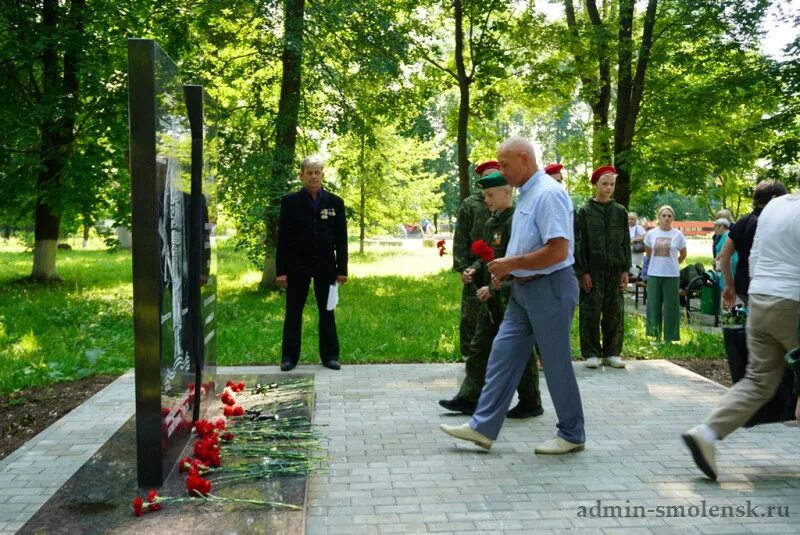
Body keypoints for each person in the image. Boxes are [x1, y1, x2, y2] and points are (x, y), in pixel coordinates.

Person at [440, 137, 585, 455]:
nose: (501, 171)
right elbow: (526, 243)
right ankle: (483, 427)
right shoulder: (527, 194)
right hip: (523, 290)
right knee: (502, 356)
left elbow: (558, 249)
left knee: (557, 363)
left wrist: (513, 263)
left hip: (550, 288)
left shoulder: (548, 194)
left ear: (524, 159)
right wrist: (505, 270)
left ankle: (572, 433)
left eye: (505, 165)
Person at [683, 190, 800, 480]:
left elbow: (755, 255)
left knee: (759, 380)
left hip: (760, 299)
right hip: (793, 302)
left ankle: (707, 432)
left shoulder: (775, 207)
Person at [438, 171, 543, 418]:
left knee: (520, 350)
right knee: (479, 347)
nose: (485, 200)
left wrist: (496, 288)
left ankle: (530, 402)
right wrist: (473, 270)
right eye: (484, 195)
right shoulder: (492, 221)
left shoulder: (518, 221)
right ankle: (469, 398)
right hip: (491, 299)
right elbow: (486, 258)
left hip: (511, 298)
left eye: (490, 194)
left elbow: (519, 263)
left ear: (508, 192)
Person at [275, 155, 348, 372]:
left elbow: (342, 239)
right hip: (297, 266)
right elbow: (283, 240)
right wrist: (281, 272)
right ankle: (289, 357)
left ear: (323, 175)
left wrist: (342, 269)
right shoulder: (290, 202)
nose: (313, 176)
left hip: (326, 266)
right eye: (309, 172)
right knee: (293, 311)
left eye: (317, 172)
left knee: (327, 311)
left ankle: (330, 356)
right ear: (302, 175)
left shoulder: (335, 202)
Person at [574, 166, 630, 369]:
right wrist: (582, 272)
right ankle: (590, 353)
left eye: (612, 184)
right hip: (593, 271)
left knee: (614, 312)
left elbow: (625, 241)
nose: (608, 188)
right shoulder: (585, 212)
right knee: (590, 311)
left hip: (615, 270)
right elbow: (579, 244)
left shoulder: (620, 212)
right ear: (595, 185)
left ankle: (612, 352)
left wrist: (626, 269)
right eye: (604, 184)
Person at [718, 180, 788, 309]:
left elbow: (724, 256)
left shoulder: (741, 222)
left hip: (743, 285)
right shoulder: (778, 224)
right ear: (775, 199)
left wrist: (729, 284)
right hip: (772, 287)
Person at [452, 161, 496, 359]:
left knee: (497, 311)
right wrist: (462, 267)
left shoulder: (507, 202)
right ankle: (469, 354)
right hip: (473, 266)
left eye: (494, 175)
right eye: (486, 176)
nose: (490, 180)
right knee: (471, 312)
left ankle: (494, 352)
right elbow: (460, 237)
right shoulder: (470, 204)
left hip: (498, 265)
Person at [644, 205, 687, 342]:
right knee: (653, 305)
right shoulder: (651, 234)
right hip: (654, 273)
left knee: (671, 306)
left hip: (672, 275)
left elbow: (683, 254)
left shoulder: (678, 235)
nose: (666, 218)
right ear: (659, 217)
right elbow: (648, 253)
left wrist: (673, 263)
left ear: (673, 218)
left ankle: (670, 337)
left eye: (669, 216)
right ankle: (654, 335)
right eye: (664, 215)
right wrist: (658, 263)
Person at [712, 218, 737, 289]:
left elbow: (724, 251)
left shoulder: (727, 235)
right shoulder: (725, 235)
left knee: (725, 285)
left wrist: (715, 260)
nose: (715, 229)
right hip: (726, 262)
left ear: (722, 226)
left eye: (716, 227)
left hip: (728, 263)